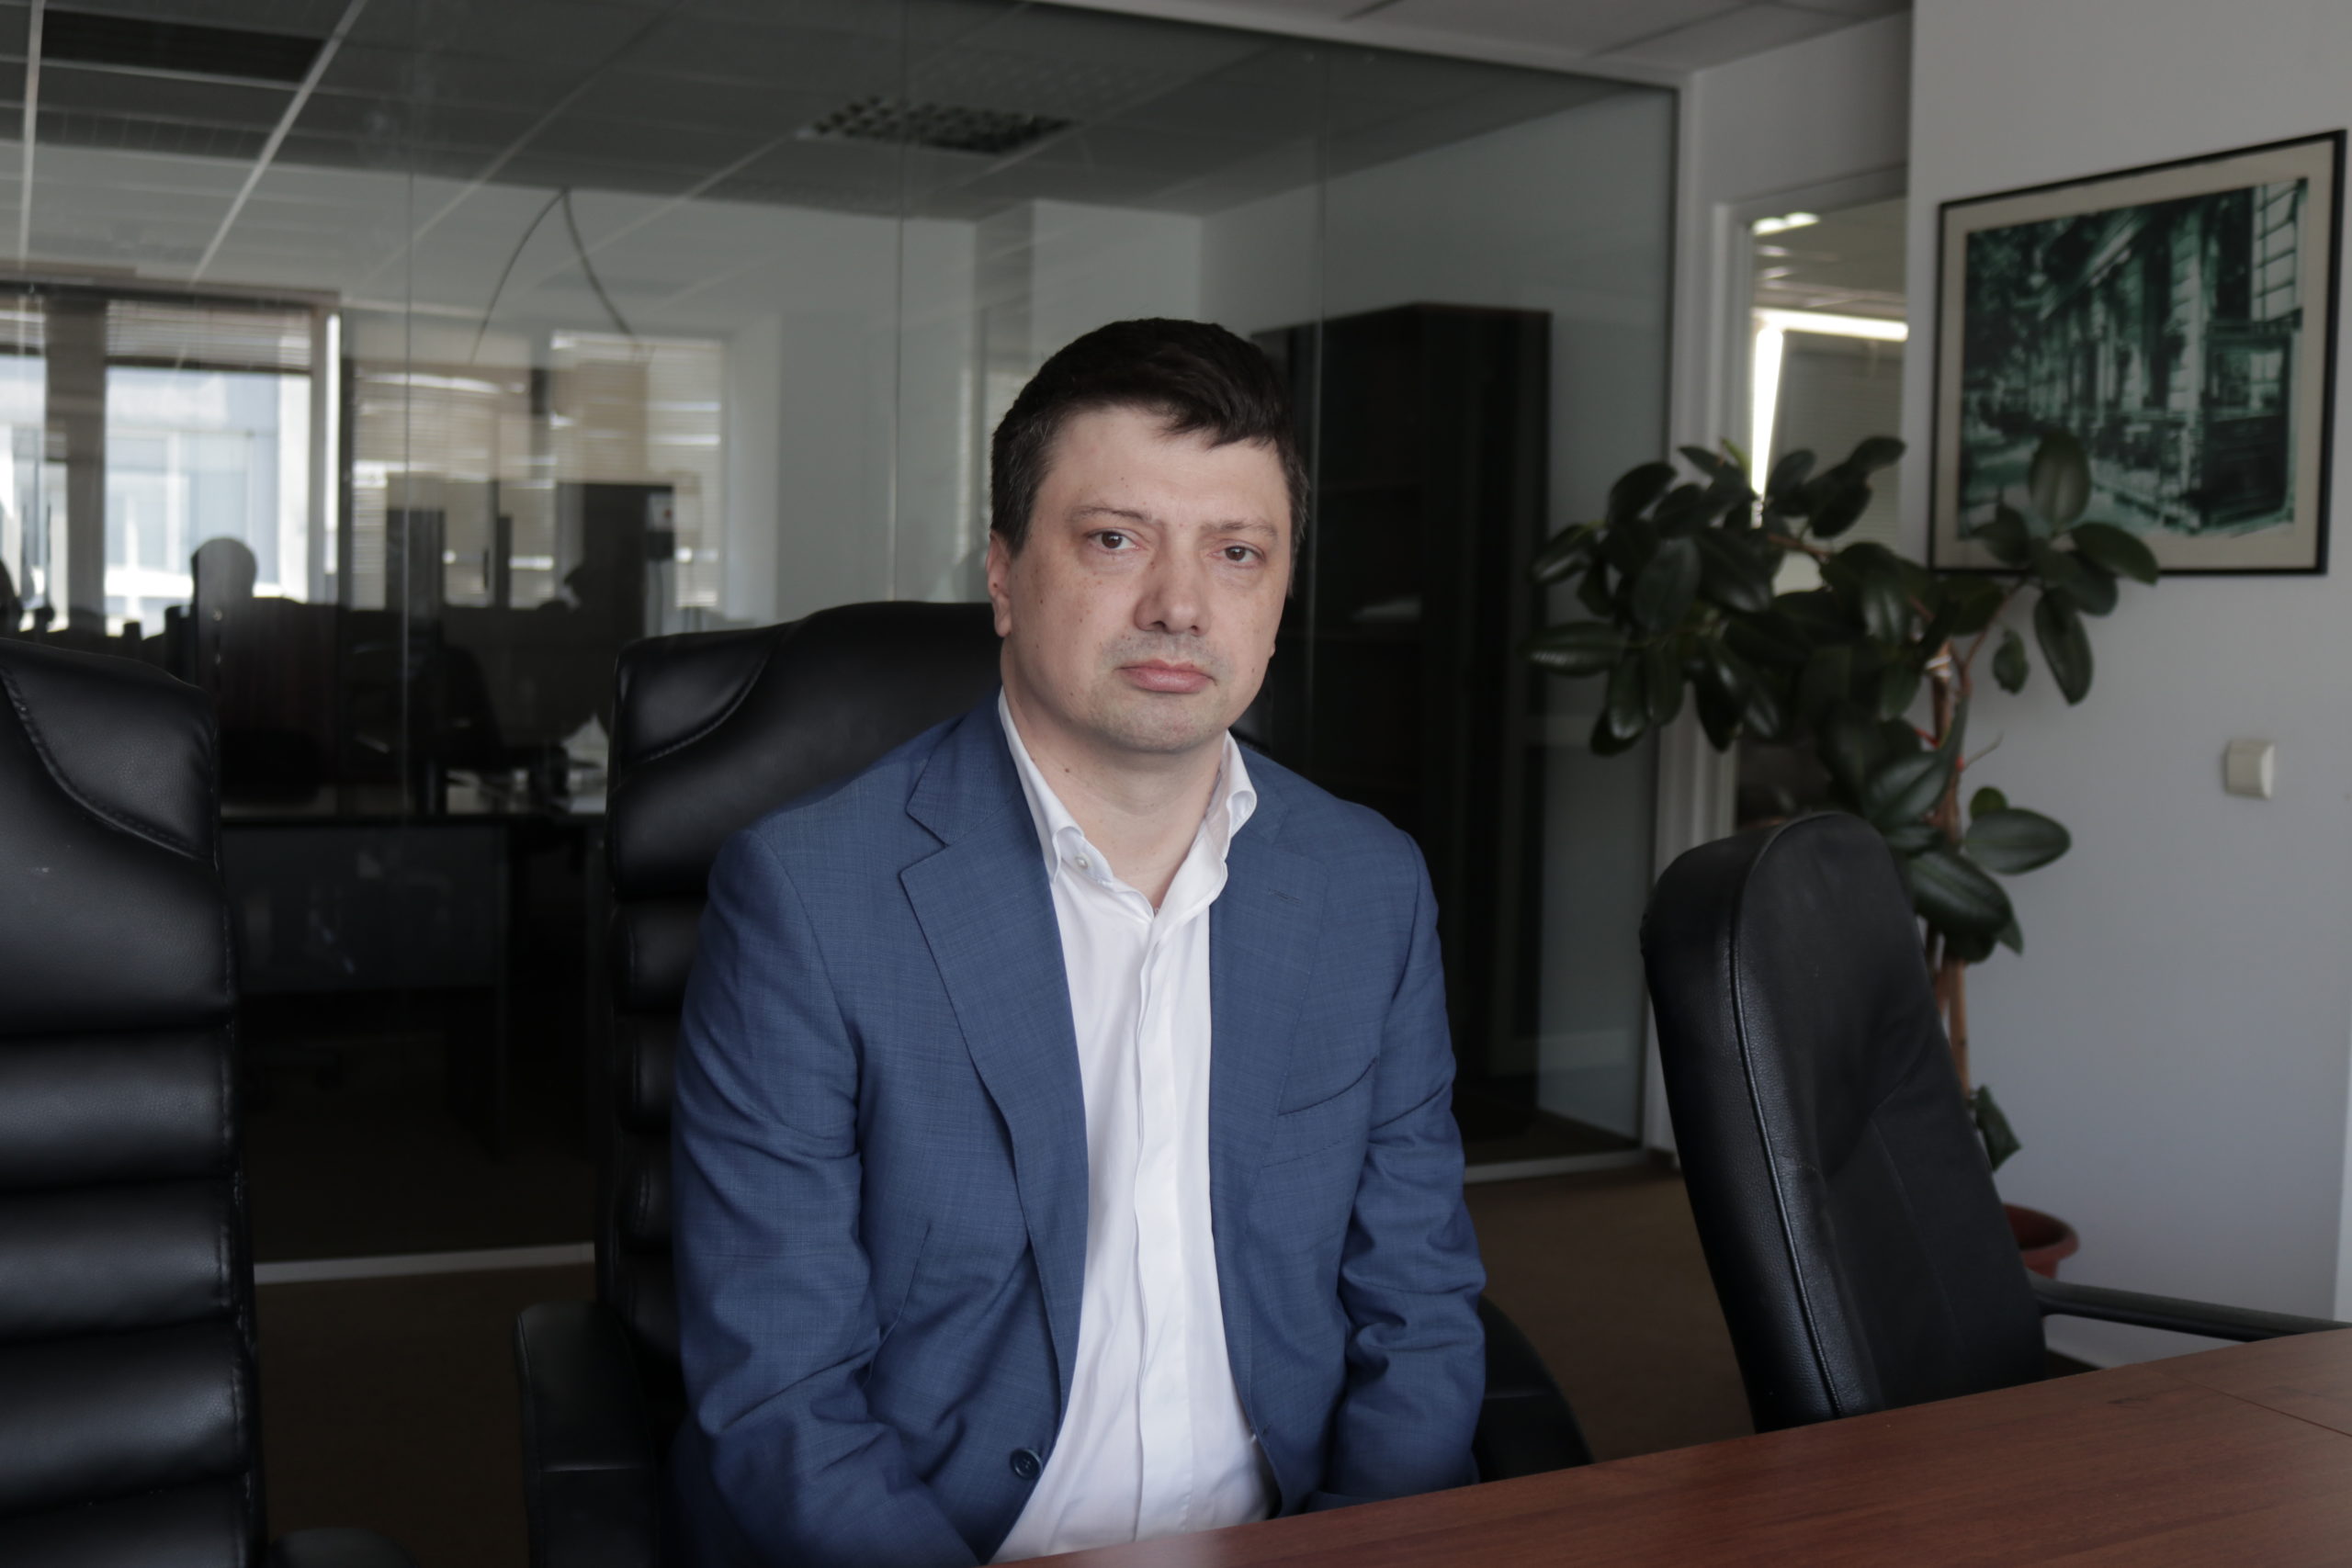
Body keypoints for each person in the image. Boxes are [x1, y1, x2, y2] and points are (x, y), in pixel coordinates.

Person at [670, 318, 1485, 1568]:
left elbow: (1416, 1304)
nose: (1179, 605)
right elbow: (783, 1391)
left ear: (1279, 594)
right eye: (1115, 540)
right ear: (1002, 576)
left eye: (1237, 552)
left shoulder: (1367, 885)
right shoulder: (810, 898)